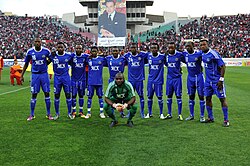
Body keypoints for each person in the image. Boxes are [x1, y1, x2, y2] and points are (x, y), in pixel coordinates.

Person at [20, 37, 53, 121]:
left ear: (41, 43)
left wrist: (46, 63)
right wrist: (21, 75)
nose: (37, 43)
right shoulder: (30, 52)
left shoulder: (46, 51)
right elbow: (26, 63)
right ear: (34, 43)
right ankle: (32, 115)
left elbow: (51, 60)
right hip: (35, 75)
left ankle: (48, 114)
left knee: (47, 93)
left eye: (39, 41)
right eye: (36, 42)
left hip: (44, 75)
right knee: (34, 94)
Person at [200, 38, 229, 127]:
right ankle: (210, 117)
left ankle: (226, 120)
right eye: (201, 45)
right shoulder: (202, 54)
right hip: (208, 81)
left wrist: (221, 79)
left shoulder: (213, 53)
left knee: (222, 99)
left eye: (204, 44)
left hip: (216, 81)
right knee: (207, 98)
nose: (202, 46)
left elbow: (223, 66)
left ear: (208, 45)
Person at [49, 42, 73, 120]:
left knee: (68, 95)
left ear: (64, 48)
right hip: (57, 78)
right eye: (58, 47)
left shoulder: (68, 56)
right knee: (56, 96)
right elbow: (46, 59)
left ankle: (69, 113)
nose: (60, 49)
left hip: (66, 78)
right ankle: (57, 114)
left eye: (61, 47)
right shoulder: (53, 56)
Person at [183, 42, 205, 122]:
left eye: (189, 46)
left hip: (199, 78)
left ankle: (202, 116)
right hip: (190, 78)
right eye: (186, 47)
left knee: (201, 96)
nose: (188, 48)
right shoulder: (185, 54)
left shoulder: (199, 54)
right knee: (191, 96)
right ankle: (191, 115)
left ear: (193, 46)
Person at [124, 43, 148, 118]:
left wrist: (140, 52)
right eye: (131, 48)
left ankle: (142, 112)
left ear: (136, 48)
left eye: (134, 47)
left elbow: (149, 55)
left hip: (139, 79)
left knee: (141, 95)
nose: (133, 49)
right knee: (130, 97)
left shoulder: (142, 55)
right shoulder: (127, 55)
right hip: (131, 80)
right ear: (129, 49)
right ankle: (129, 112)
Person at [164, 42, 185, 121]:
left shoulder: (179, 55)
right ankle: (169, 113)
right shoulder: (166, 56)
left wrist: (179, 69)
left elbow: (185, 60)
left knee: (178, 96)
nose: (170, 49)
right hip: (169, 79)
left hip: (177, 79)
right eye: (169, 48)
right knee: (169, 96)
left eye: (172, 48)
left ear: (175, 48)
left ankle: (179, 114)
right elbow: (166, 64)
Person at [145, 43, 165, 119]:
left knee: (159, 97)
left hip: (158, 80)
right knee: (149, 96)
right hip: (150, 80)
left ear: (158, 49)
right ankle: (149, 113)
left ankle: (161, 113)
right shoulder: (149, 56)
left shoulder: (162, 57)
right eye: (152, 48)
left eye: (155, 48)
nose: (153, 49)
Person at [86, 46, 107, 119]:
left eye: (95, 51)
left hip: (99, 82)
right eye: (93, 51)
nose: (94, 52)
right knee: (89, 97)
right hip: (91, 82)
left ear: (97, 52)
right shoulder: (88, 59)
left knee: (100, 97)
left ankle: (101, 112)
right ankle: (88, 112)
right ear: (91, 52)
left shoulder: (101, 59)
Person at [106, 47, 127, 118]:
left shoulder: (123, 59)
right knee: (111, 96)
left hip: (121, 81)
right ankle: (111, 112)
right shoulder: (108, 58)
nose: (115, 52)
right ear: (111, 52)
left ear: (119, 52)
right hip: (112, 80)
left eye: (116, 51)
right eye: (113, 51)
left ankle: (121, 112)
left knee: (121, 96)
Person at [71, 44, 88, 118]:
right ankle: (73, 111)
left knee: (81, 96)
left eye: (79, 48)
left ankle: (81, 111)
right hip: (74, 79)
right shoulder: (72, 57)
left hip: (82, 80)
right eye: (77, 48)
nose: (78, 50)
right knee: (73, 96)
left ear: (82, 49)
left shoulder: (85, 57)